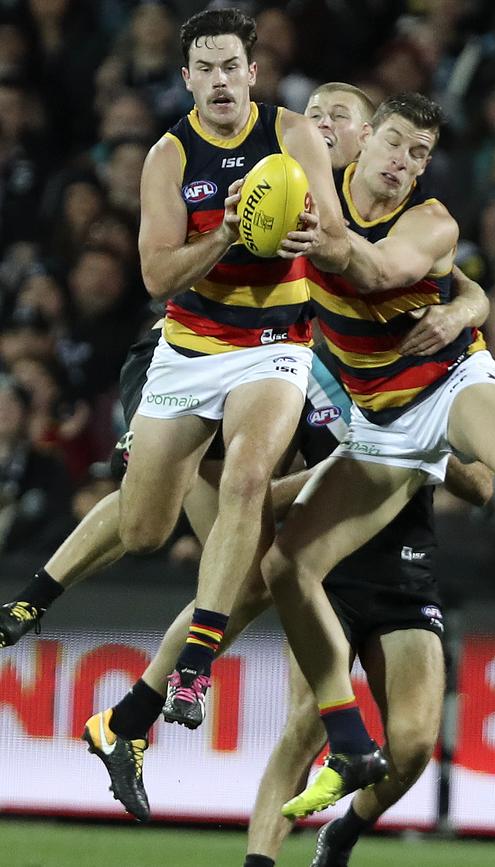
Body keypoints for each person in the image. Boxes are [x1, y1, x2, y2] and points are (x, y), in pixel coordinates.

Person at [258, 91, 495, 821]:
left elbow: (373, 272)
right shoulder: (306, 188)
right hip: (380, 422)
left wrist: (463, 310)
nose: (405, 164)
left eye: (421, 154)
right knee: (285, 565)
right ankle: (339, 735)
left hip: (445, 380)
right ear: (365, 139)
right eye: (397, 144)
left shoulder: (432, 220)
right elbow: (267, 129)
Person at [0, 8, 351, 724]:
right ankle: (30, 600)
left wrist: (317, 235)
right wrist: (226, 231)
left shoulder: (292, 135)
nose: (220, 81)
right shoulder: (168, 156)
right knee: (143, 529)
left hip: (277, 342)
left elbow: (339, 238)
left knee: (250, 475)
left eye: (232, 67)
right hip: (191, 346)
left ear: (253, 73)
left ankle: (194, 664)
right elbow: (159, 276)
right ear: (186, 77)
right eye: (206, 68)